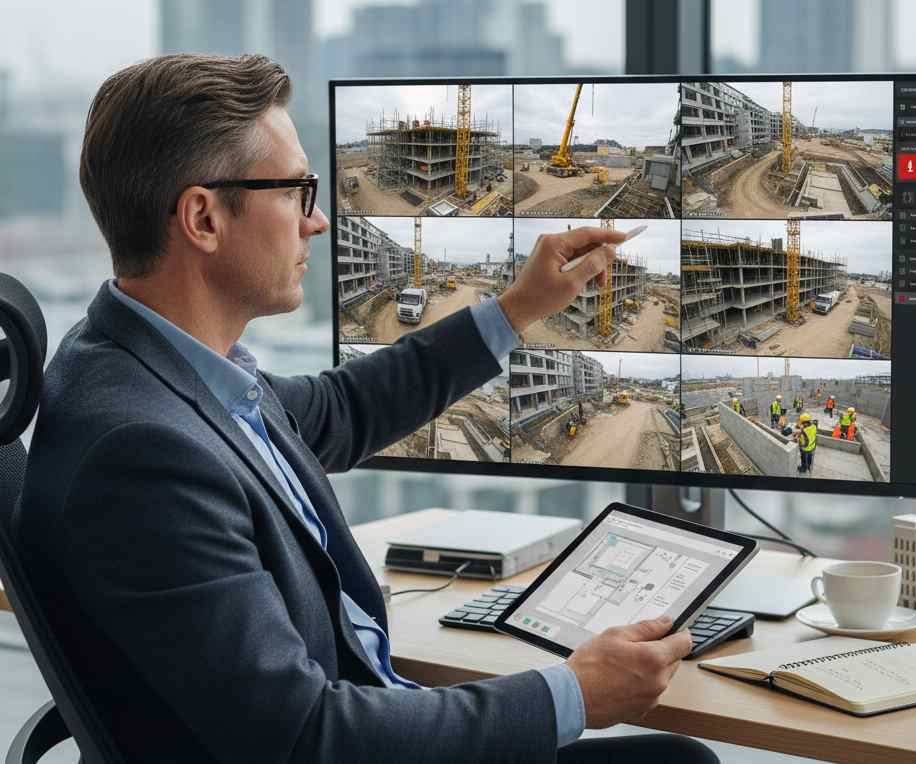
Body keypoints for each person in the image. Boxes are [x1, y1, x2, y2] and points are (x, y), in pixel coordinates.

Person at [17, 55, 717, 764]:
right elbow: (305, 736)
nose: (317, 221)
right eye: (297, 192)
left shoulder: (150, 366)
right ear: (203, 217)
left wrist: (516, 309)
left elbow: (343, 407)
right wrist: (573, 694)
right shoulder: (143, 453)